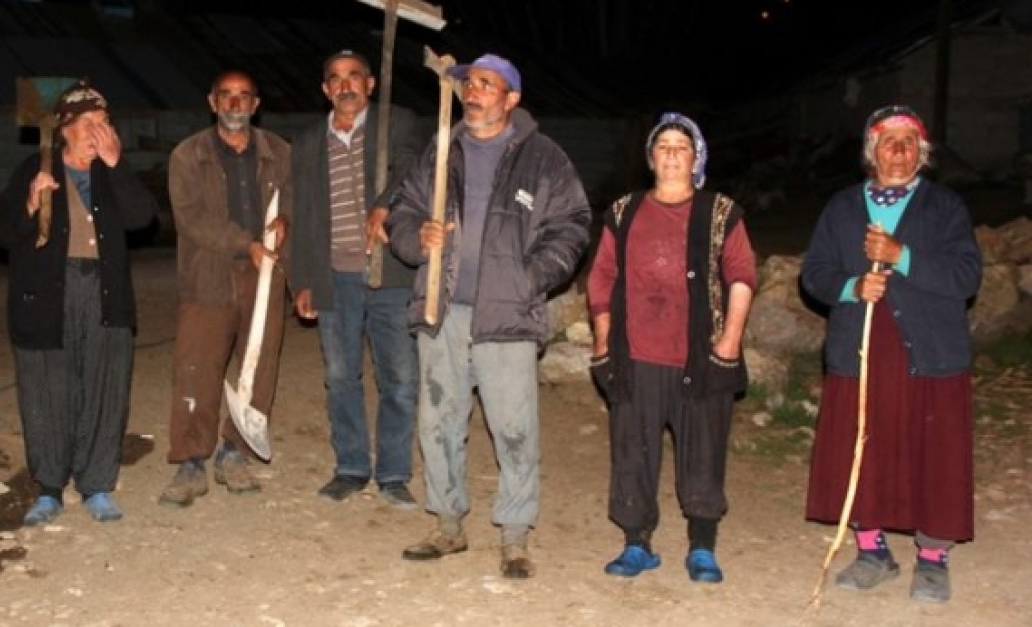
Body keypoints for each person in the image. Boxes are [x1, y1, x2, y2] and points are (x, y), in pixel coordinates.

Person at [385, 53, 590, 579]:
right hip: (442, 307)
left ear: (511, 98)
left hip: (507, 314)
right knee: (438, 423)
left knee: (514, 428)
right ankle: (448, 525)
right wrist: (416, 237)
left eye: (486, 85)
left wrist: (532, 275)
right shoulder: (442, 149)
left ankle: (515, 536)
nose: (473, 93)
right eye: (469, 84)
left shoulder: (542, 157)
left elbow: (571, 224)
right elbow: (405, 208)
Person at [801, 105, 981, 604]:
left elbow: (967, 277)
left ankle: (932, 558)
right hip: (860, 347)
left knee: (933, 449)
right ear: (870, 152)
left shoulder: (944, 207)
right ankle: (872, 550)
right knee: (862, 445)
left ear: (922, 154)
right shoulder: (841, 208)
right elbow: (813, 274)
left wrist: (903, 257)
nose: (898, 151)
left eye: (908, 142)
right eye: (888, 141)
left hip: (930, 350)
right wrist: (852, 286)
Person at [586, 112, 757, 584]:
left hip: (700, 356)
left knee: (703, 451)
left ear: (696, 157)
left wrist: (730, 339)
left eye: (682, 146)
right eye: (663, 146)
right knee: (633, 451)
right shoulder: (623, 211)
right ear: (650, 157)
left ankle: (702, 547)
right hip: (637, 355)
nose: (672, 154)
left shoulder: (721, 212)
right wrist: (603, 334)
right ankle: (636, 543)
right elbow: (602, 276)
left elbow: (742, 274)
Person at [0, 81, 156, 526]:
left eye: (104, 123)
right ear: (64, 129)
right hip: (46, 294)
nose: (98, 132)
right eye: (88, 124)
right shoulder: (35, 167)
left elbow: (142, 218)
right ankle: (48, 489)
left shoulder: (111, 171)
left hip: (105, 292)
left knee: (104, 388)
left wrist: (118, 166)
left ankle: (97, 485)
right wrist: (28, 204)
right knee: (46, 389)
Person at [290, 50, 425, 509]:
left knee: (401, 380)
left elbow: (412, 170)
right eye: (335, 79)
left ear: (370, 85)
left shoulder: (396, 124)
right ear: (325, 89)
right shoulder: (308, 142)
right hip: (334, 276)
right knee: (340, 375)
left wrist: (384, 203)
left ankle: (393, 473)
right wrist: (302, 279)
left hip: (389, 274)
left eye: (354, 77)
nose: (345, 85)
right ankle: (350, 466)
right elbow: (304, 214)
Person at [159, 70, 292, 507]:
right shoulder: (188, 155)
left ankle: (234, 452)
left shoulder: (280, 152)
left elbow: (295, 199)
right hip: (208, 273)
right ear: (212, 102)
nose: (235, 104)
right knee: (196, 367)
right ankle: (191, 461)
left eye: (244, 96)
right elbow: (191, 218)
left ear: (256, 104)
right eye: (226, 96)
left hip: (265, 275)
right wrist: (244, 242)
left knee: (258, 364)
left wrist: (285, 220)